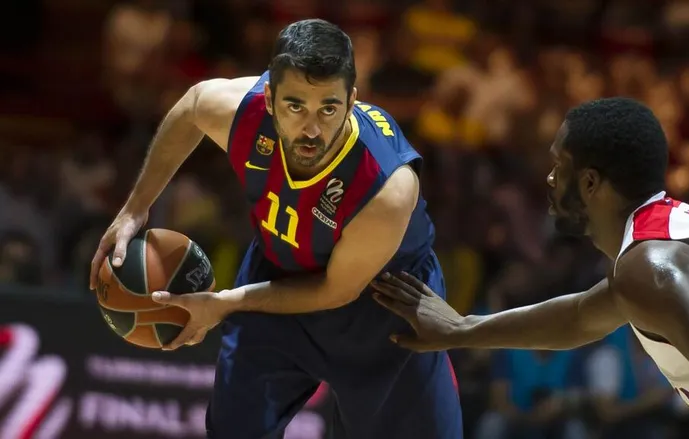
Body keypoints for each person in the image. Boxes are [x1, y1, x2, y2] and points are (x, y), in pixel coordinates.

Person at [88, 19, 461, 439]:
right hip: (277, 277)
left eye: (329, 108)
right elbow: (191, 106)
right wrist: (136, 208)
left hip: (384, 310)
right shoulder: (240, 111)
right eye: (295, 106)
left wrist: (225, 303)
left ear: (352, 101)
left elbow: (335, 291)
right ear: (269, 98)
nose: (311, 129)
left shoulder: (387, 187)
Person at [371, 97, 689, 439]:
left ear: (589, 183)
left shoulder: (650, 266)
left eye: (559, 165)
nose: (549, 178)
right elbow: (579, 317)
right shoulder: (655, 247)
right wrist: (461, 329)